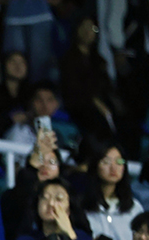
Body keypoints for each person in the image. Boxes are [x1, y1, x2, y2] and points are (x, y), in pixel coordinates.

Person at [60, 15, 127, 147]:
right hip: (80, 104)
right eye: (84, 27)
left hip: (101, 104)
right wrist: (95, 101)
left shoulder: (99, 60)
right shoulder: (69, 59)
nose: (88, 31)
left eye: (93, 28)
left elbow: (107, 87)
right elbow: (73, 88)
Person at [83, 142, 145, 240]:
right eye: (106, 162)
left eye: (119, 162)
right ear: (95, 165)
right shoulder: (82, 206)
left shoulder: (134, 208)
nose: (113, 168)